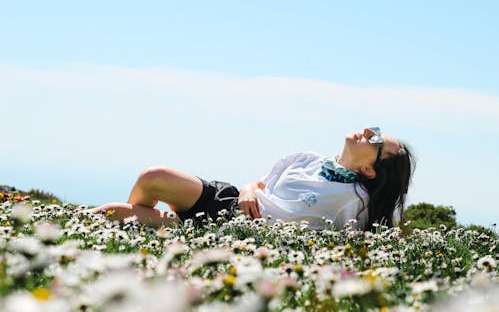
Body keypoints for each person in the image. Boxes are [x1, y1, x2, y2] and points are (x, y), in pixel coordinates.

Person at [90, 127, 415, 231]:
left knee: (106, 214)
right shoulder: (307, 159)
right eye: (375, 129)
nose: (369, 132)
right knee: (152, 178)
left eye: (375, 143)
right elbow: (256, 185)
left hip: (231, 232)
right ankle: (156, 229)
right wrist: (247, 188)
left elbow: (363, 242)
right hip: (229, 201)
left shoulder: (355, 199)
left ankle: (164, 230)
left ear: (371, 170)